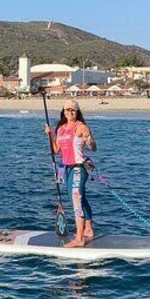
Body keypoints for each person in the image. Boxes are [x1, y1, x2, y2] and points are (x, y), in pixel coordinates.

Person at [44, 99, 97, 247]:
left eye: (73, 110)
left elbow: (93, 148)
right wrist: (50, 135)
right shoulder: (60, 129)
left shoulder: (81, 127)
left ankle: (79, 238)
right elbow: (56, 150)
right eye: (67, 110)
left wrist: (89, 139)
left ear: (77, 112)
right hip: (66, 168)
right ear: (64, 112)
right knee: (81, 198)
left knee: (76, 199)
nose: (70, 112)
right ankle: (88, 230)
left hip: (79, 167)